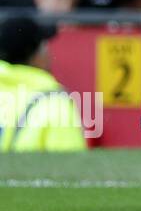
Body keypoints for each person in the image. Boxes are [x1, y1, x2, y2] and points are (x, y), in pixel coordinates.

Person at [0, 16, 87, 152]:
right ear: (34, 56)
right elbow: (72, 168)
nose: (48, 52)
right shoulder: (53, 104)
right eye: (44, 45)